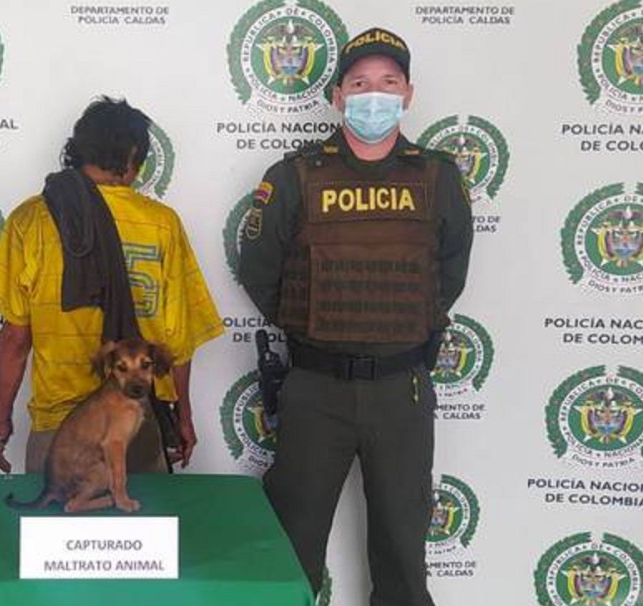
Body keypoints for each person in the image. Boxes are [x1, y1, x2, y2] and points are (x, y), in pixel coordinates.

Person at [238, 28, 473, 606]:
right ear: (339, 97)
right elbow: (259, 269)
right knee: (291, 551)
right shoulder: (294, 175)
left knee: (402, 553)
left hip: (402, 389)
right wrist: (316, 327)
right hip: (316, 387)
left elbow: (450, 272)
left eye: (388, 83)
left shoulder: (438, 177)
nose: (375, 95)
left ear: (408, 94)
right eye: (361, 83)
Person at [0, 97, 223, 476]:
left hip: (58, 428)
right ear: (134, 160)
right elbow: (177, 341)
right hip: (135, 423)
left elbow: (14, 338)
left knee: (57, 532)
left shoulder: (30, 221)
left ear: (76, 153)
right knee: (138, 532)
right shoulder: (162, 225)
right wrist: (183, 417)